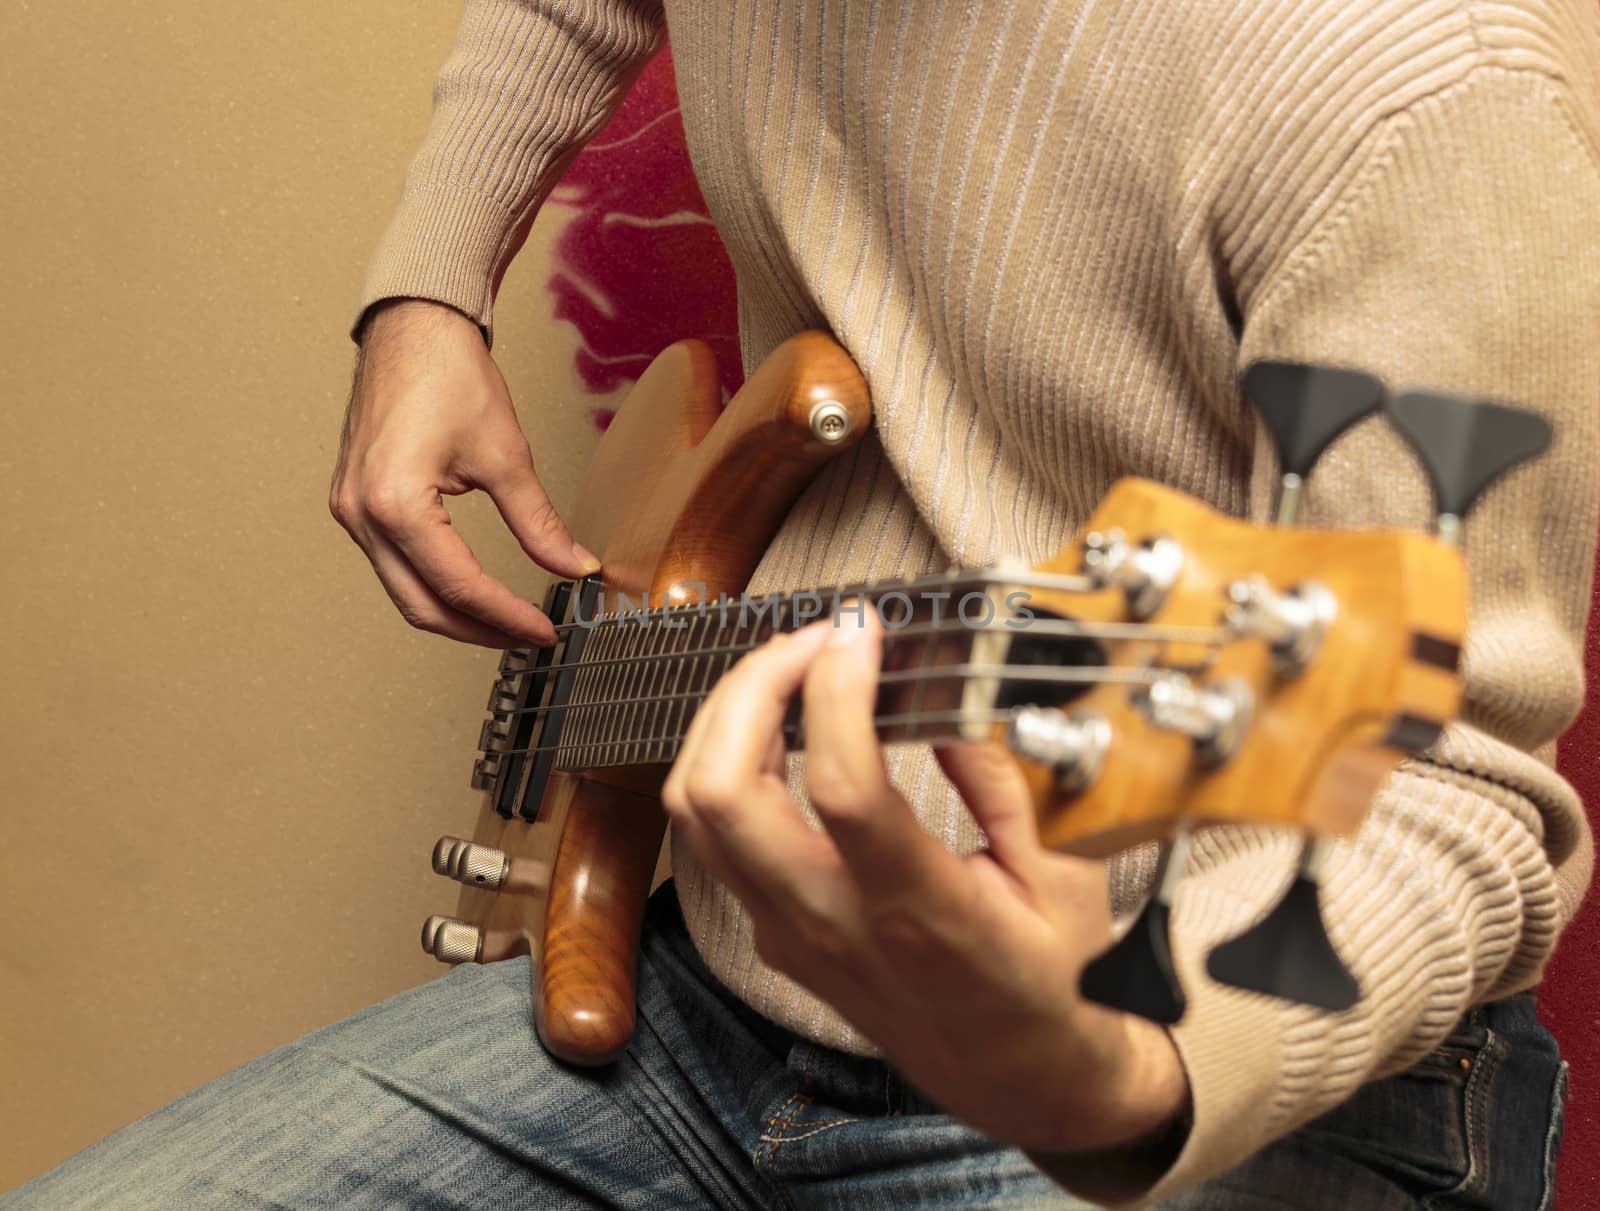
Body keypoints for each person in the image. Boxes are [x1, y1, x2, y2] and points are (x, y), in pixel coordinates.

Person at [9, 1, 1600, 1207]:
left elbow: (1439, 781)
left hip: (1192, 1058)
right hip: (708, 998)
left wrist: (1117, 1077)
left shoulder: (1415, 81)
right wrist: (429, 279)